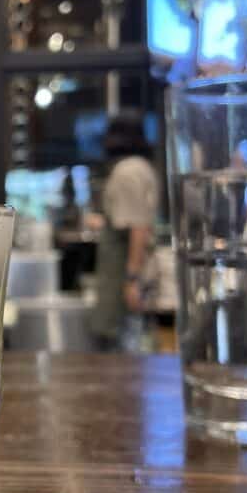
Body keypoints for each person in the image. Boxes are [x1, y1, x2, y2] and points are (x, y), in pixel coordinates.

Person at [91, 112, 158, 351]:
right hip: (128, 273)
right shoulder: (142, 167)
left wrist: (132, 281)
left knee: (124, 351)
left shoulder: (127, 172)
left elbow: (138, 228)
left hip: (122, 276)